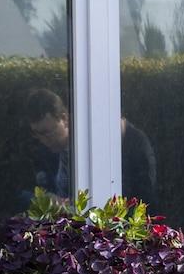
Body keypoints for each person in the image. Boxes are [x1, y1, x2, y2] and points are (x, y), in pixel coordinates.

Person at [21, 87, 158, 207]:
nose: (44, 140)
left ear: (65, 119)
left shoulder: (128, 146)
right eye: (37, 134)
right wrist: (47, 198)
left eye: (47, 133)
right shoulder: (45, 150)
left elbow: (141, 201)